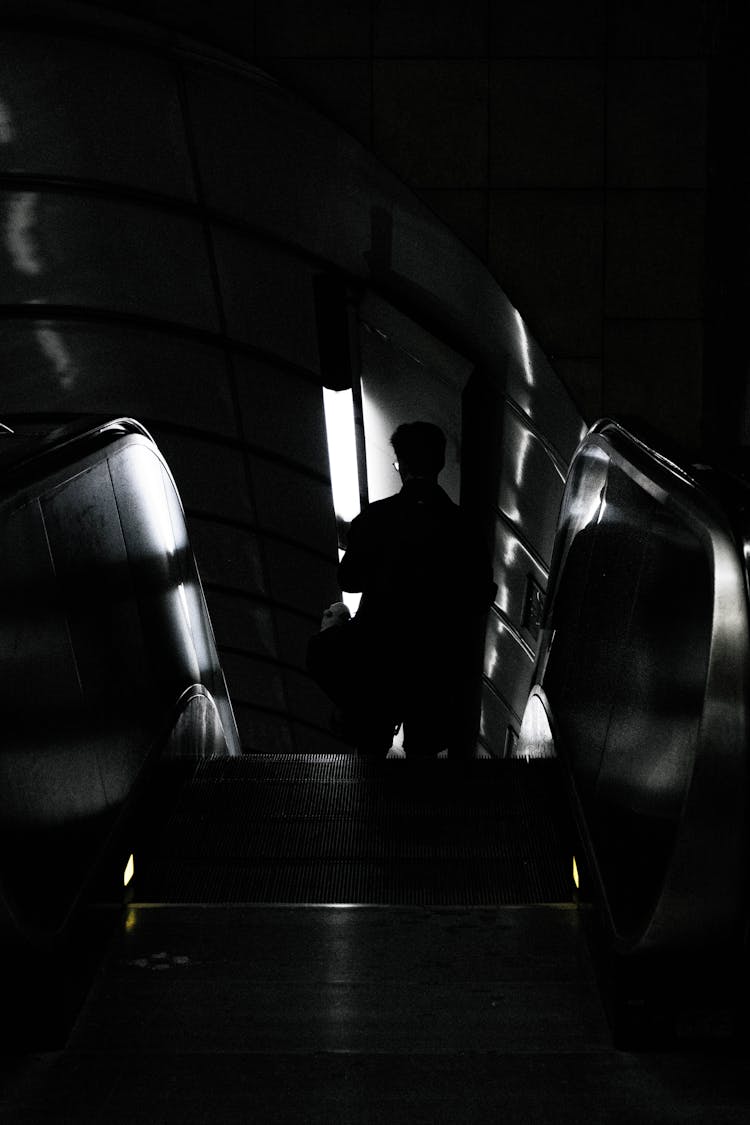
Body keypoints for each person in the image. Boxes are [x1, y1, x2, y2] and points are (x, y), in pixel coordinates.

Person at [337, 421, 495, 758]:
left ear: (402, 466)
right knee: (423, 754)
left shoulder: (375, 517)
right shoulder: (464, 526)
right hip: (437, 661)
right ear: (439, 464)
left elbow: (347, 580)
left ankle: (365, 808)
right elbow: (480, 597)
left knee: (371, 748)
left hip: (380, 655)